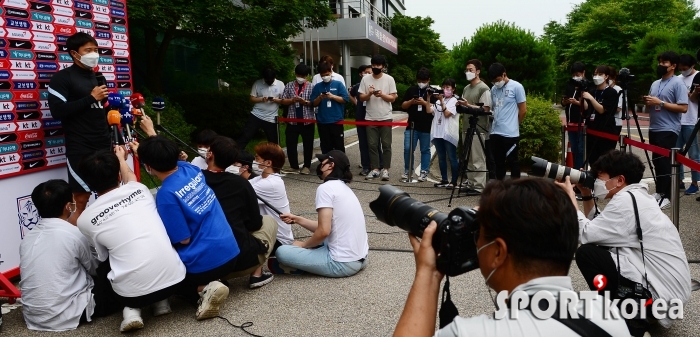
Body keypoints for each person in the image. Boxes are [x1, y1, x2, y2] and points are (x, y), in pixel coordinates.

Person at [393, 178, 630, 337]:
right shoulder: (608, 315)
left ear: (498, 252)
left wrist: (429, 273)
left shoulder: (473, 333)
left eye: (480, 235)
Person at [556, 150, 691, 337]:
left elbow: (586, 233)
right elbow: (600, 229)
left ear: (619, 180)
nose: (596, 182)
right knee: (596, 248)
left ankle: (630, 321)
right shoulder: (636, 197)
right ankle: (629, 309)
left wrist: (570, 195)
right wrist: (586, 195)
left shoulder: (626, 202)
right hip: (671, 295)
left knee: (587, 254)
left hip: (662, 298)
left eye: (599, 177)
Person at [134, 115, 238, 321]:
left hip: (206, 263)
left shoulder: (166, 195)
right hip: (231, 252)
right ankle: (215, 282)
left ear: (148, 167)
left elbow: (184, 239)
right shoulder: (191, 169)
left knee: (165, 275)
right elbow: (168, 156)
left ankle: (201, 289)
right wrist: (152, 133)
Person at [77, 147, 187, 332]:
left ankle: (131, 311)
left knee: (107, 262)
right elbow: (130, 178)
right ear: (118, 176)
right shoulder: (140, 190)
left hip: (132, 294)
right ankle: (161, 303)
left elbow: (103, 257)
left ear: (87, 184)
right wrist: (121, 159)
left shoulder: (85, 220)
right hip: (176, 281)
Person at [20, 180, 122, 332]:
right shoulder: (74, 233)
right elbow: (95, 268)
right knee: (112, 260)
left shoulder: (27, 239)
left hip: (33, 316)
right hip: (68, 313)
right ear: (68, 206)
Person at [47, 32, 110, 225]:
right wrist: (91, 98)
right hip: (80, 146)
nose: (94, 54)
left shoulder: (98, 77)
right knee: (80, 199)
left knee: (108, 195)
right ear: (74, 54)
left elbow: (102, 110)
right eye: (88, 50)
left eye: (96, 50)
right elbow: (57, 111)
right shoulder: (62, 78)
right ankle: (73, 245)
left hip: (103, 143)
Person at [277, 150, 369, 277]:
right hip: (361, 259)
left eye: (322, 163)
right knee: (319, 240)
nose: (320, 167)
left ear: (331, 165)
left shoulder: (325, 188)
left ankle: (308, 258)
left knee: (282, 251)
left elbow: (324, 231)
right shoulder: (344, 187)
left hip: (342, 263)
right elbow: (328, 227)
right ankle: (314, 252)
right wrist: (297, 219)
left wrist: (303, 245)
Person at [203, 136, 277, 288]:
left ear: (209, 154)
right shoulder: (241, 184)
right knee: (268, 221)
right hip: (239, 260)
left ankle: (215, 279)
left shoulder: (194, 181)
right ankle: (256, 274)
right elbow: (254, 223)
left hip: (202, 262)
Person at [644, 51, 688, 209]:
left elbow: (683, 107)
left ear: (673, 66)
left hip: (668, 128)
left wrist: (660, 103)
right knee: (657, 161)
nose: (660, 65)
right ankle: (660, 192)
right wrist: (649, 102)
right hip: (654, 127)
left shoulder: (678, 83)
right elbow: (654, 102)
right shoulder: (655, 83)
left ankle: (668, 196)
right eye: (660, 62)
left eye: (664, 63)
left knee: (665, 163)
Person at [359, 54, 398, 181]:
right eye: (374, 65)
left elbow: (393, 98)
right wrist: (369, 93)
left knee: (386, 144)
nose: (376, 67)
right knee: (372, 145)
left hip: (385, 117)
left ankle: (386, 170)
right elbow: (361, 98)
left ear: (383, 67)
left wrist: (382, 95)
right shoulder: (365, 79)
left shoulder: (389, 79)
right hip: (370, 117)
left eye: (378, 65)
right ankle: (375, 169)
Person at [249, 142, 294, 251]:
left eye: (257, 158)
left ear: (268, 163)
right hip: (269, 233)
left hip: (277, 239)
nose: (254, 162)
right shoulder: (262, 179)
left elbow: (240, 191)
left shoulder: (271, 184)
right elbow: (243, 185)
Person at [488, 63, 527, 180]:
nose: (496, 83)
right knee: (498, 162)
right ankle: (500, 189)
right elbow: (494, 108)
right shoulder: (494, 89)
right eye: (493, 81)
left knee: (513, 161)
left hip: (510, 133)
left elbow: (523, 110)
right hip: (495, 132)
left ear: (504, 74)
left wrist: (515, 124)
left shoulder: (517, 87)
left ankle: (516, 190)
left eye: (498, 80)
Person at [460, 59, 493, 193]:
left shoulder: (484, 88)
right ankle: (471, 183)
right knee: (468, 157)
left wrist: (468, 105)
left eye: (471, 70)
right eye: (467, 70)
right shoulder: (466, 88)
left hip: (478, 128)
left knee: (477, 158)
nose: (468, 72)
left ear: (478, 71)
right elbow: (464, 104)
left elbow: (486, 109)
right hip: (466, 126)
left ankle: (479, 186)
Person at [238, 68, 285, 150]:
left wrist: (275, 100)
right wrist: (262, 99)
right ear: (264, 78)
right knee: (245, 136)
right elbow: (251, 99)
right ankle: (235, 155)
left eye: (271, 80)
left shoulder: (280, 84)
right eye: (267, 80)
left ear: (275, 77)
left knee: (273, 142)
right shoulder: (257, 83)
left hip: (271, 118)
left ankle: (274, 160)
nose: (269, 82)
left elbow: (284, 100)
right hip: (256, 115)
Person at [400, 67, 433, 182]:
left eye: (424, 81)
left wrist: (425, 103)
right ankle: (407, 170)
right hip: (411, 125)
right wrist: (411, 102)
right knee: (408, 148)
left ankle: (424, 171)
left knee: (425, 149)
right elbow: (403, 105)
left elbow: (435, 108)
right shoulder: (411, 90)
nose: (421, 83)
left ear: (429, 80)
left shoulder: (432, 92)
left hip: (426, 126)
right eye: (419, 81)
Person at [582, 65, 619, 167]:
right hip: (592, 131)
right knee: (592, 160)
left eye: (600, 74)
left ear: (606, 76)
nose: (596, 77)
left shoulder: (612, 92)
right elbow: (587, 110)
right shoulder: (592, 91)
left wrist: (592, 99)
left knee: (605, 161)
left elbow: (603, 110)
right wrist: (583, 99)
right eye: (595, 74)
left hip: (606, 132)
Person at [280, 64, 315, 174]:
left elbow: (314, 103)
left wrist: (303, 102)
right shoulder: (289, 85)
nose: (301, 77)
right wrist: (292, 100)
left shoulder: (311, 86)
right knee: (291, 144)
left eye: (303, 76)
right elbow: (283, 100)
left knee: (308, 145)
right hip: (292, 120)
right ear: (295, 74)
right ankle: (294, 166)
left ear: (307, 76)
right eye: (299, 75)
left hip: (307, 121)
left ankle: (307, 166)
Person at [349, 65, 383, 175]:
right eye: (365, 73)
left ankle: (379, 164)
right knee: (363, 143)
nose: (367, 75)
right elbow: (350, 94)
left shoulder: (377, 86)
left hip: (373, 118)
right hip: (361, 117)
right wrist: (356, 103)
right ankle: (366, 166)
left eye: (369, 72)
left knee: (374, 143)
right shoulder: (358, 86)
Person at [311, 62, 349, 153]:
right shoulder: (317, 86)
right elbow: (313, 103)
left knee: (338, 145)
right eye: (323, 75)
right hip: (323, 121)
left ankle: (341, 165)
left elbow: (345, 99)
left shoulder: (338, 84)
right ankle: (327, 164)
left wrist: (332, 96)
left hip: (336, 120)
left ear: (331, 72)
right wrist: (320, 98)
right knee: (325, 145)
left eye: (327, 74)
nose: (325, 76)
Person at [676, 54, 700, 195]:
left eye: (684, 68)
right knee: (677, 152)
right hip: (677, 121)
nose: (682, 71)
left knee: (694, 154)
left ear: (692, 66)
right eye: (680, 68)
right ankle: (679, 181)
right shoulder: (677, 79)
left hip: (692, 120)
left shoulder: (698, 76)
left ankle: (695, 183)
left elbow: (694, 99)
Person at [430, 79, 460, 189]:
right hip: (438, 132)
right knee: (441, 157)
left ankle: (454, 181)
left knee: (452, 157)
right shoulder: (438, 101)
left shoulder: (455, 101)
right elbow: (429, 111)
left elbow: (447, 114)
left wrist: (442, 101)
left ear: (453, 89)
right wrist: (428, 98)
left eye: (448, 87)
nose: (445, 89)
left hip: (448, 133)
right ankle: (444, 179)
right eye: (444, 87)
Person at [562, 62, 587, 170]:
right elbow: (563, 101)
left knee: (581, 149)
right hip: (570, 122)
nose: (575, 77)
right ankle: (574, 171)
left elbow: (587, 105)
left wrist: (577, 102)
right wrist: (565, 101)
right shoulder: (570, 85)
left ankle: (580, 171)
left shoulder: (587, 85)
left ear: (583, 73)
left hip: (582, 123)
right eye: (574, 74)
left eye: (578, 74)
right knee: (574, 148)